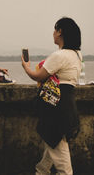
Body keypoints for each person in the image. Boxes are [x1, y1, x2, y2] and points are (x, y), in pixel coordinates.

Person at [21, 17, 82, 175]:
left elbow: (38, 76)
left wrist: (26, 67)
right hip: (69, 104)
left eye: (55, 30)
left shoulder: (58, 56)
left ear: (60, 31)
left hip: (56, 108)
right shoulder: (77, 55)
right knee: (54, 144)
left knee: (61, 158)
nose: (53, 33)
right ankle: (40, 171)